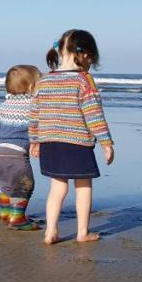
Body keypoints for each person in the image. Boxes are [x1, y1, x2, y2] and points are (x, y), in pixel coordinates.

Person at [29, 29, 115, 245]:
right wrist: (106, 142)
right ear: (86, 55)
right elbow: (93, 114)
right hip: (76, 142)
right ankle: (82, 232)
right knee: (83, 186)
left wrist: (35, 140)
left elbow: (34, 113)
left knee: (57, 188)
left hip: (50, 142)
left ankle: (50, 232)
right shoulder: (84, 80)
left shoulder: (44, 80)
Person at [0, 65, 42, 230]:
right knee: (24, 186)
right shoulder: (33, 105)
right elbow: (37, 127)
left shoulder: (3, 105)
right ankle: (17, 218)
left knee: (6, 184)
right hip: (17, 155)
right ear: (30, 87)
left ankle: (5, 213)